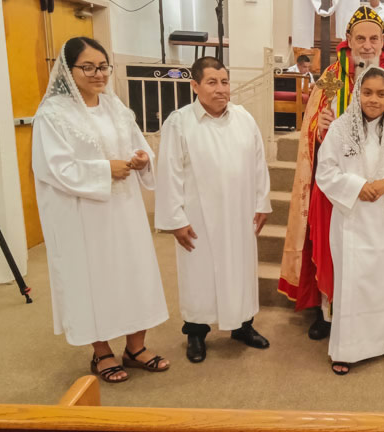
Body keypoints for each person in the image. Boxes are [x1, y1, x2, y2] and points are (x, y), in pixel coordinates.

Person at [32, 37, 170, 383]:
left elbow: (138, 146)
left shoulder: (114, 107)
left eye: (103, 66)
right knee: (95, 279)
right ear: (69, 70)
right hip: (83, 214)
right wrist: (104, 169)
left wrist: (142, 159)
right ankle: (102, 352)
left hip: (125, 209)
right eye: (88, 67)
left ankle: (135, 348)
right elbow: (52, 167)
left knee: (133, 272)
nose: (98, 74)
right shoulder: (53, 114)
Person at [278, 6, 384, 341]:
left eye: (374, 39)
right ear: (349, 40)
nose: (367, 45)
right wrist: (319, 125)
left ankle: (378, 316)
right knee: (332, 252)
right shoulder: (332, 75)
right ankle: (329, 312)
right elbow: (311, 123)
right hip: (338, 187)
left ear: (383, 40)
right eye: (361, 38)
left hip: (381, 187)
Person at [155, 57, 272, 363]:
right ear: (195, 86)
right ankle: (196, 331)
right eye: (212, 82)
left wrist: (262, 202)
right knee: (199, 274)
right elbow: (169, 172)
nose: (221, 89)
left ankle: (243, 325)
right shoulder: (180, 122)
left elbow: (258, 164)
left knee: (240, 269)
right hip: (199, 216)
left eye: (224, 82)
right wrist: (175, 219)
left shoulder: (244, 118)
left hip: (240, 212)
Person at [315, 67, 384, 375]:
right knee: (353, 283)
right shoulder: (340, 129)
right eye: (368, 92)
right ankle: (347, 349)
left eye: (381, 94)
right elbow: (326, 171)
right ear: (358, 93)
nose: (374, 99)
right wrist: (357, 186)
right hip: (352, 219)